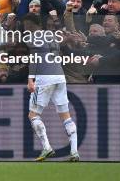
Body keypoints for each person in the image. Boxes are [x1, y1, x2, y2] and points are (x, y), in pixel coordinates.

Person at [25, 14, 79, 161]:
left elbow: (35, 59)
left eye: (27, 24)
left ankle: (47, 147)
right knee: (65, 115)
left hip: (44, 77)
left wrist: (31, 79)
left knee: (33, 115)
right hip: (60, 76)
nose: (25, 27)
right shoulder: (53, 36)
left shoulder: (36, 36)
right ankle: (74, 151)